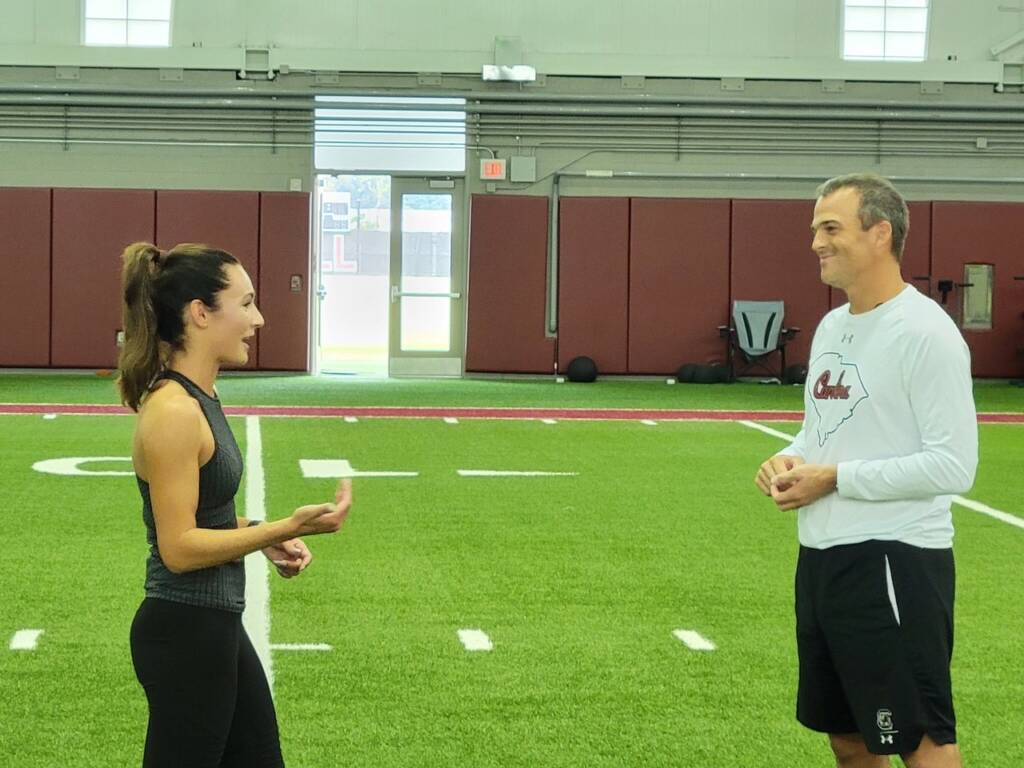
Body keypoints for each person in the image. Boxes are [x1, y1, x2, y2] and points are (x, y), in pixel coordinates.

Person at [754, 174, 978, 768]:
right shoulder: (834, 326)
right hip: (823, 558)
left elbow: (954, 464)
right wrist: (790, 457)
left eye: (831, 228)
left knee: (919, 739)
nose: (816, 243)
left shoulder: (926, 332)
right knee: (848, 738)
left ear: (881, 234)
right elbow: (823, 431)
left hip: (894, 560)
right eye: (814, 230)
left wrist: (835, 479)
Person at [118, 242, 352, 767]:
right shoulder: (174, 412)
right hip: (184, 633)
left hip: (213, 625)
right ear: (201, 313)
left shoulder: (200, 398)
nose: (259, 318)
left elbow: (203, 517)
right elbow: (178, 547)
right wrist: (275, 531)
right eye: (245, 304)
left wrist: (266, 531)